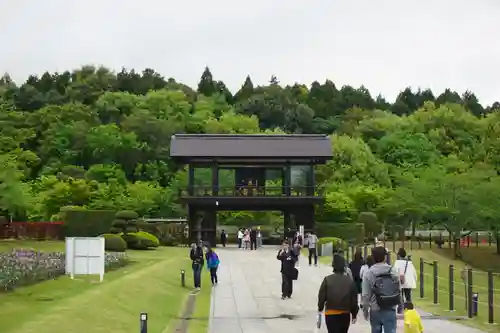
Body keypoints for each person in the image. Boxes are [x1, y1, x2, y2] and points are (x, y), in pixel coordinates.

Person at [362, 246, 401, 333]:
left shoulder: (368, 273)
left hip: (375, 309)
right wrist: (399, 305)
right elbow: (398, 289)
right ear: (385, 257)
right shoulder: (393, 270)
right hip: (390, 308)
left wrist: (365, 311)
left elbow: (365, 295)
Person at [318, 255, 359, 333]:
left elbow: (321, 296)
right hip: (345, 314)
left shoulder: (327, 279)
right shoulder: (350, 281)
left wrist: (320, 308)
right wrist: (354, 314)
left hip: (330, 313)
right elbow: (354, 300)